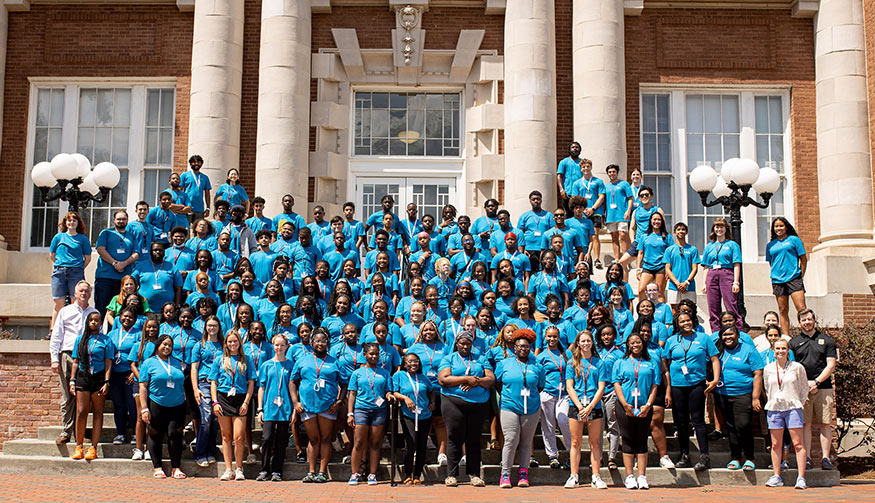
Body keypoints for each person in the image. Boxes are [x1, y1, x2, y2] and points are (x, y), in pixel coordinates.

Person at [664, 311, 721, 470]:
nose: (685, 323)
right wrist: (668, 387)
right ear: (677, 324)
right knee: (681, 421)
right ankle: (685, 454)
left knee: (698, 419)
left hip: (697, 383)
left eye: (688, 320)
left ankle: (704, 455)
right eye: (682, 321)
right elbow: (665, 362)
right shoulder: (671, 340)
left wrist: (715, 379)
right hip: (677, 384)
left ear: (693, 321)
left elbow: (715, 359)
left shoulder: (704, 338)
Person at [438, 331, 493, 487]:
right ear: (456, 343)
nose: (465, 346)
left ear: (472, 344)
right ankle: (451, 474)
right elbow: (443, 379)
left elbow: (490, 379)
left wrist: (477, 381)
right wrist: (465, 379)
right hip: (453, 402)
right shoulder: (449, 358)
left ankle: (474, 474)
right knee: (455, 437)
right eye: (462, 343)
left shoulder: (480, 358)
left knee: (474, 439)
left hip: (479, 402)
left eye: (468, 343)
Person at [291, 329, 345, 483]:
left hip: (328, 406)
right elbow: (293, 381)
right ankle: (311, 471)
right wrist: (296, 402)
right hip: (308, 405)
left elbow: (344, 384)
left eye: (323, 341)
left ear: (328, 343)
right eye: (317, 341)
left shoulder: (335, 361)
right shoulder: (303, 359)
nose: (320, 344)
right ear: (312, 342)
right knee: (313, 439)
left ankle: (322, 472)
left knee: (326, 438)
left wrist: (339, 401)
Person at [49, 280, 98, 445]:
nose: (84, 293)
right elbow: (56, 336)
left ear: (90, 294)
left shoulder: (94, 313)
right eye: (81, 291)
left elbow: (100, 335)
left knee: (83, 396)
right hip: (68, 355)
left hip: (87, 357)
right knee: (67, 396)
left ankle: (80, 433)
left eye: (86, 291)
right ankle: (66, 431)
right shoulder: (65, 311)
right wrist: (54, 359)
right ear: (75, 293)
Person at [494, 328, 545, 488]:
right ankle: (505, 474)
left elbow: (540, 385)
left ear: (530, 348)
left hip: (531, 407)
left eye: (526, 346)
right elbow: (498, 383)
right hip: (510, 406)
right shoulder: (504, 363)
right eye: (520, 346)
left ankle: (523, 473)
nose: (523, 349)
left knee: (526, 442)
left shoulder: (537, 365)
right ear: (514, 348)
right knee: (510, 439)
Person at [789, 308, 837, 471]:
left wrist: (816, 382)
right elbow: (792, 367)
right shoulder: (794, 342)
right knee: (805, 424)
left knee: (825, 423)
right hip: (803, 390)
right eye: (803, 320)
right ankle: (807, 457)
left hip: (823, 388)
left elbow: (831, 364)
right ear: (799, 322)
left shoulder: (827, 340)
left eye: (809, 319)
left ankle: (825, 458)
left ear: (814, 320)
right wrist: (806, 384)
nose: (807, 322)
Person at [612, 333, 660, 490]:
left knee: (641, 439)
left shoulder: (652, 362)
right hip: (625, 405)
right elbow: (617, 384)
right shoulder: (621, 362)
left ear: (643, 343)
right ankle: (630, 476)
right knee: (627, 439)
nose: (635, 345)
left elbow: (654, 385)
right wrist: (625, 405)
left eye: (638, 342)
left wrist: (648, 405)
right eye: (632, 343)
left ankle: (642, 476)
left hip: (644, 406)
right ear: (628, 345)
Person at [714, 324, 764, 471]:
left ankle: (749, 457)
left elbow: (758, 374)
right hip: (722, 394)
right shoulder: (718, 350)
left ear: (737, 336)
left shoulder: (748, 350)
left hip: (743, 394)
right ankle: (735, 457)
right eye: (724, 335)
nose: (727, 337)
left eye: (731, 334)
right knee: (730, 427)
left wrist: (755, 397)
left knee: (743, 425)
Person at [138, 333, 188, 479]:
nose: (167, 347)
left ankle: (176, 468)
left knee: (175, 434)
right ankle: (157, 467)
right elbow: (143, 387)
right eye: (164, 344)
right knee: (155, 434)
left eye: (170, 345)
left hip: (177, 404)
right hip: (157, 403)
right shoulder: (149, 363)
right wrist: (144, 408)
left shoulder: (177, 362)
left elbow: (181, 381)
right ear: (158, 345)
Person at [210, 329, 256, 481]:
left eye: (235, 341)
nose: (232, 344)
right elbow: (213, 382)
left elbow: (251, 383)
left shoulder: (246, 359)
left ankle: (239, 468)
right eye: (229, 341)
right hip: (223, 398)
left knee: (239, 436)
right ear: (226, 343)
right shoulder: (220, 359)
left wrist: (246, 402)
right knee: (226, 435)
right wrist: (215, 402)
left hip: (240, 399)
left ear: (239, 343)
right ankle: (228, 469)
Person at [563, 330, 608, 489]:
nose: (586, 344)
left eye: (588, 341)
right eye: (583, 341)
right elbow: (569, 386)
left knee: (595, 442)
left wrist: (589, 407)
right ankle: (573, 476)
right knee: (575, 442)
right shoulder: (571, 363)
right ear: (578, 343)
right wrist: (581, 407)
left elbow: (601, 387)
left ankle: (596, 476)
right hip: (576, 406)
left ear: (592, 343)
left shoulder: (599, 363)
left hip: (594, 406)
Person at [763, 339, 809, 489]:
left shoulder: (797, 367)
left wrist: (795, 401)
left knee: (798, 444)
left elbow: (804, 388)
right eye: (777, 348)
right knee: (776, 444)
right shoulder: (768, 368)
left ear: (788, 350)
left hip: (793, 408)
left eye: (783, 348)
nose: (780, 351)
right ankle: (776, 476)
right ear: (773, 350)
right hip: (774, 408)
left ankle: (801, 478)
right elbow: (767, 387)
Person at [68, 312, 114, 460]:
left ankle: (93, 447)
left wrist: (107, 381)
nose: (94, 322)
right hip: (83, 376)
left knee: (98, 412)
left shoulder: (106, 340)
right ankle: (79, 446)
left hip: (99, 377)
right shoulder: (80, 339)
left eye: (97, 320)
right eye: (91, 320)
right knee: (81, 411)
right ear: (87, 322)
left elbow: (108, 362)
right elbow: (75, 361)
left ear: (101, 323)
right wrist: (72, 380)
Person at [347, 342, 393, 485]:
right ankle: (354, 473)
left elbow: (387, 390)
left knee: (374, 443)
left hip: (379, 410)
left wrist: (389, 395)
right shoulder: (357, 373)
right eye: (371, 354)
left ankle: (372, 474)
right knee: (359, 442)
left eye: (376, 354)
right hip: (361, 409)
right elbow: (352, 394)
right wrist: (350, 413)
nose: (374, 356)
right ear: (365, 355)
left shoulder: (385, 373)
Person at [254, 334, 294, 482]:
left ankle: (277, 470)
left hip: (285, 407)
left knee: (281, 440)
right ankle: (264, 469)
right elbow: (262, 388)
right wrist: (260, 409)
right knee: (267, 438)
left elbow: (294, 388)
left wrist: (294, 408)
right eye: (276, 345)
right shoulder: (266, 365)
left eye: (282, 345)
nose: (279, 348)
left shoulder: (291, 365)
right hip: (269, 407)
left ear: (286, 346)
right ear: (272, 346)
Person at [392, 352, 436, 485]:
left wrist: (432, 403)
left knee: (422, 446)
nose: (413, 364)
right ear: (404, 364)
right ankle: (407, 474)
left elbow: (432, 390)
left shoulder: (422, 377)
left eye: (415, 361)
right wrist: (405, 398)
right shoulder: (399, 375)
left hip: (424, 415)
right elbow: (394, 392)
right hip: (409, 415)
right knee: (410, 445)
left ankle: (417, 475)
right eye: (410, 362)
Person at [49, 212, 92, 331]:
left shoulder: (82, 238)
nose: (71, 222)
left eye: (74, 220)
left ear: (78, 223)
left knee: (75, 302)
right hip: (59, 272)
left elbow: (87, 258)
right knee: (58, 303)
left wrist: (78, 267)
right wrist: (61, 264)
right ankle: (54, 330)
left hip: (76, 272)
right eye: (69, 220)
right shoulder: (58, 237)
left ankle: (74, 329)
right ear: (65, 223)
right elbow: (52, 255)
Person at [765, 217, 808, 336]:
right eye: (776, 226)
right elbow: (771, 262)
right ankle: (786, 336)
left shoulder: (794, 240)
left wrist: (800, 275)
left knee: (801, 308)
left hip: (794, 278)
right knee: (783, 310)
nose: (778, 228)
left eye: (781, 226)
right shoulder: (770, 245)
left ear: (786, 227)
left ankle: (806, 333)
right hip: (778, 280)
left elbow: (803, 259)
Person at [537, 325, 571, 469]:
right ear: (545, 337)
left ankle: (572, 452)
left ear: (559, 337)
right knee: (548, 426)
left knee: (563, 420)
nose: (552, 339)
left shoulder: (567, 354)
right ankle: (552, 456)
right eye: (549, 336)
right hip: (547, 393)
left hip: (564, 394)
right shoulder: (541, 356)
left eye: (554, 336)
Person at [190, 316, 223, 467]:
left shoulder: (223, 345)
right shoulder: (199, 345)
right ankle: (199, 453)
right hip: (204, 384)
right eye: (209, 326)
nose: (212, 328)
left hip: (221, 384)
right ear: (205, 327)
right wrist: (195, 389)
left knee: (216, 419)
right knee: (206, 418)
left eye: (214, 325)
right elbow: (194, 368)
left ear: (219, 327)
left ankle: (210, 451)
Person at [94, 209, 140, 317]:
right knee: (101, 308)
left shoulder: (131, 236)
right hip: (105, 277)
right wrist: (114, 263)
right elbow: (100, 249)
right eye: (119, 219)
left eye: (124, 219)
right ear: (114, 220)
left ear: (127, 220)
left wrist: (124, 263)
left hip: (123, 280)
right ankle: (99, 332)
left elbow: (136, 254)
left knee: (120, 310)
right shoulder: (106, 233)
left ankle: (115, 332)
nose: (121, 221)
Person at [701, 218, 743, 332]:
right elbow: (705, 266)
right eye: (717, 227)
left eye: (721, 227)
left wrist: (736, 282)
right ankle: (716, 333)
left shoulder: (732, 245)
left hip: (726, 273)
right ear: (713, 229)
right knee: (713, 306)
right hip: (712, 274)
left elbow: (736, 264)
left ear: (726, 229)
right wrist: (704, 283)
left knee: (731, 304)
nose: (719, 229)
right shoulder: (709, 246)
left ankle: (737, 331)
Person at [107, 308, 141, 445]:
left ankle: (134, 433)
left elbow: (140, 355)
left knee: (131, 404)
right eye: (125, 316)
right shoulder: (112, 334)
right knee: (118, 404)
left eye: (130, 317)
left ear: (135, 320)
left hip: (130, 373)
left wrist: (134, 372)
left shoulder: (138, 334)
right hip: (115, 374)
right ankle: (120, 433)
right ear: (119, 317)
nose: (127, 319)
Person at [570, 158, 605, 268]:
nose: (586, 168)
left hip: (596, 211)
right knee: (581, 233)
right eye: (583, 167)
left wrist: (593, 209)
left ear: (591, 167)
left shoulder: (598, 181)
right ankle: (582, 254)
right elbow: (575, 197)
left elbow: (602, 196)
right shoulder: (577, 183)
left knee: (594, 235)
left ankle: (597, 258)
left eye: (587, 166)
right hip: (582, 212)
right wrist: (583, 209)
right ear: (581, 169)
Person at [134, 242, 183, 309]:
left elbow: (178, 288)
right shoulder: (141, 266)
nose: (158, 252)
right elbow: (131, 283)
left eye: (160, 250)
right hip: (145, 310)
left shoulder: (172, 267)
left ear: (164, 252)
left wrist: (177, 305)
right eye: (155, 250)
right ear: (150, 252)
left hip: (167, 311)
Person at [635, 211, 672, 301]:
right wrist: (638, 268)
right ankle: (643, 311)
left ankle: (661, 313)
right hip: (647, 267)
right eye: (654, 219)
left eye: (659, 220)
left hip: (661, 267)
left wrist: (669, 270)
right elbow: (640, 253)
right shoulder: (644, 236)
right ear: (651, 221)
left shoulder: (667, 237)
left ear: (662, 222)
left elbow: (671, 254)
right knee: (641, 290)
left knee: (659, 292)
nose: (656, 221)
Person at [663, 222, 700, 311]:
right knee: (674, 310)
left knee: (689, 310)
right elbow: (667, 269)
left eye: (683, 229)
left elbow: (695, 269)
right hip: (673, 285)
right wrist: (677, 283)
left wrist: (686, 282)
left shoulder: (693, 249)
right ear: (674, 233)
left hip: (689, 286)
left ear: (686, 232)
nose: (681, 231)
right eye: (678, 229)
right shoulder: (669, 250)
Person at [518, 191, 554, 271]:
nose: (536, 201)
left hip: (544, 249)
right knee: (529, 273)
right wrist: (523, 250)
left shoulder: (549, 215)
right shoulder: (524, 216)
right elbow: (520, 234)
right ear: (530, 201)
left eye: (538, 199)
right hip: (528, 249)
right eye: (533, 199)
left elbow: (553, 233)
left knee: (544, 271)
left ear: (541, 200)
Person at [181, 154, 212, 223]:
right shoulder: (185, 175)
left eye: (198, 162)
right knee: (186, 229)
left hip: (199, 209)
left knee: (198, 230)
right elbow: (180, 191)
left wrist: (208, 208)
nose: (196, 164)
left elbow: (207, 193)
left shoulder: (205, 177)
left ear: (201, 164)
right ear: (190, 164)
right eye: (194, 162)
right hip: (187, 207)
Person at [557, 141, 583, 211]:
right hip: (568, 194)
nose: (575, 149)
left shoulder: (583, 162)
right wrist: (561, 189)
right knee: (569, 214)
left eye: (577, 147)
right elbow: (559, 176)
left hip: (580, 193)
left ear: (580, 150)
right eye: (572, 147)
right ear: (569, 150)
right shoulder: (564, 162)